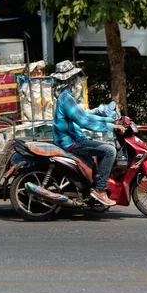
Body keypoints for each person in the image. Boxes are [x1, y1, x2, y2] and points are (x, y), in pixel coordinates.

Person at [51, 60, 126, 207]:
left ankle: (89, 190)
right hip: (70, 142)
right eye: (74, 78)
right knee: (109, 150)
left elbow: (86, 115)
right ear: (69, 80)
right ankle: (100, 190)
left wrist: (109, 120)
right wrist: (111, 126)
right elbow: (84, 121)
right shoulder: (66, 98)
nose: (76, 81)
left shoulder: (66, 96)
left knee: (100, 149)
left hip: (73, 137)